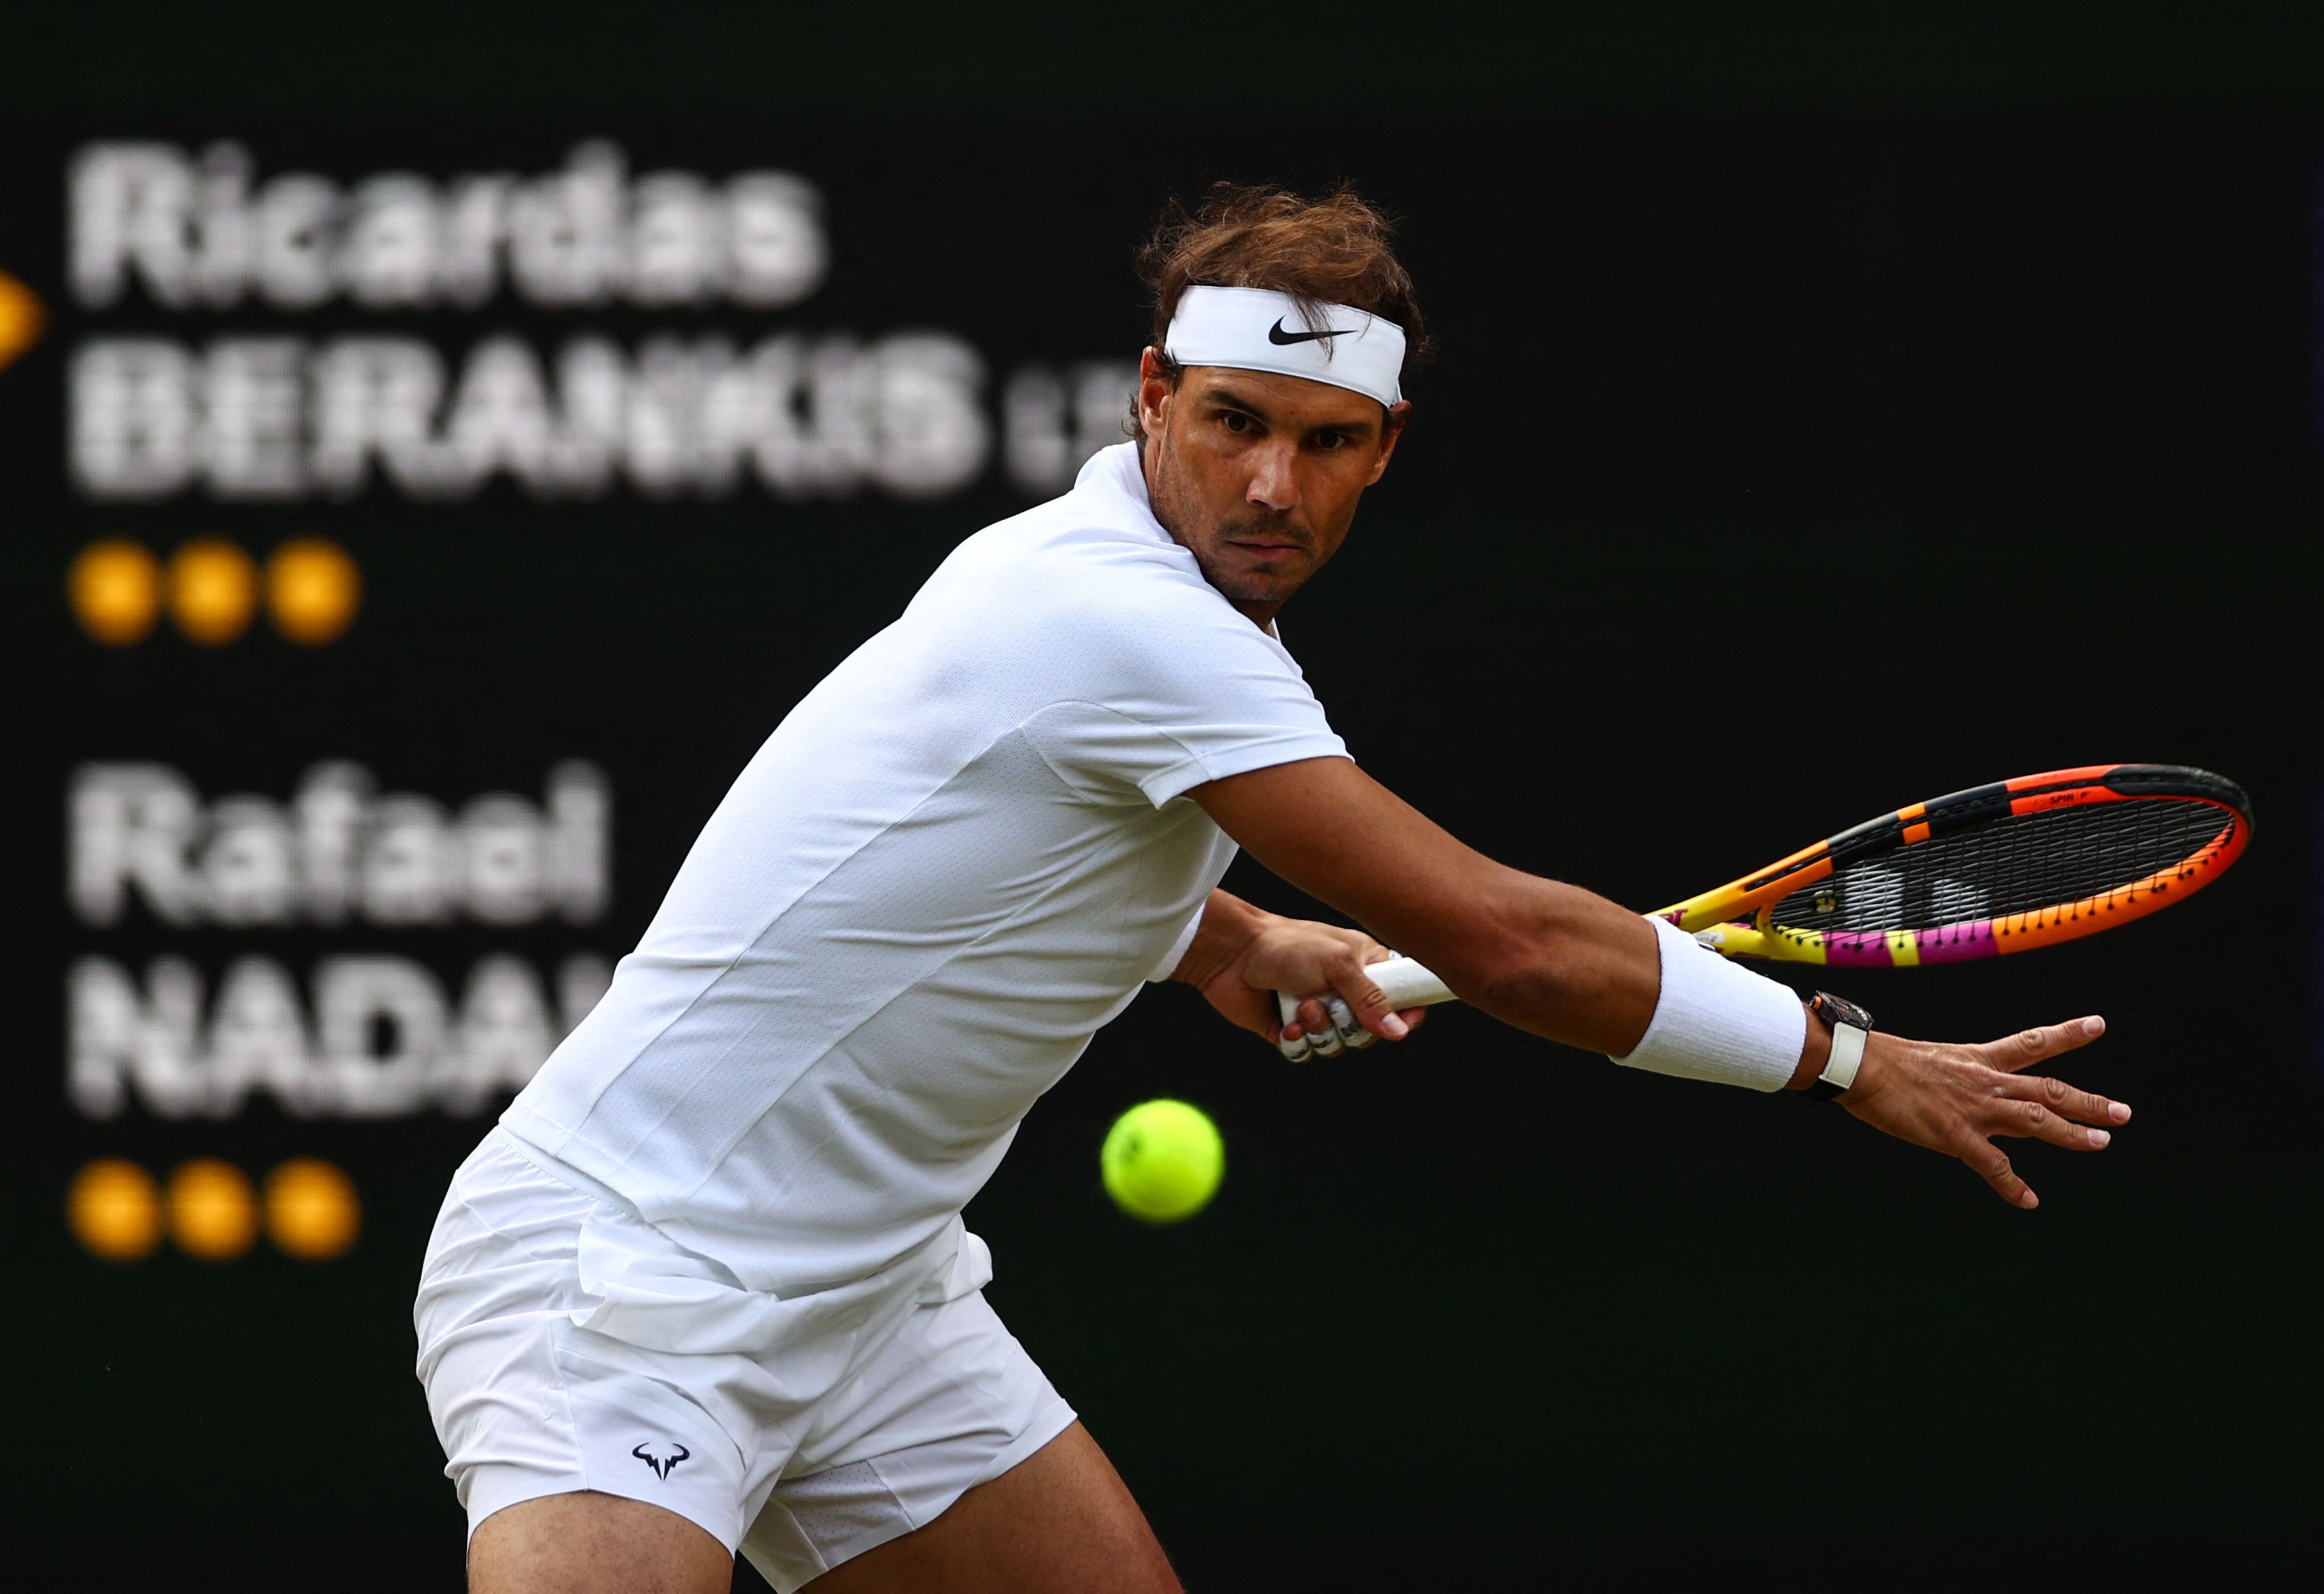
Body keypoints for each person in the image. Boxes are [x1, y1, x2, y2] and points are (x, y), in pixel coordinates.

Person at [415, 185, 2129, 1593]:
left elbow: (983, 855)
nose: (1269, 487)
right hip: (625, 1276)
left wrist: (1223, 933)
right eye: (1235, 423)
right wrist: (1850, 1063)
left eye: (1325, 443)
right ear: (1150, 392)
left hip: (867, 1296)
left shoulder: (1095, 584)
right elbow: (1513, 944)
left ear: (1386, 447)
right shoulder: (1132, 622)